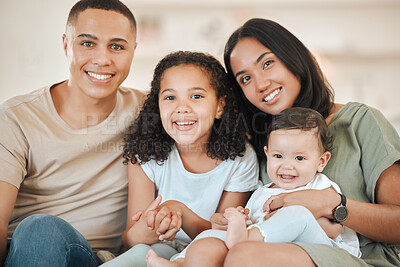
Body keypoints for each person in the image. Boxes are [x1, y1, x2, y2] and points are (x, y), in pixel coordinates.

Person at [205, 18, 400, 266]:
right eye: (245, 79)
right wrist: (229, 221)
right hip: (280, 253)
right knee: (209, 251)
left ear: (293, 58)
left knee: (244, 256)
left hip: (364, 259)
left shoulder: (359, 121)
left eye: (267, 63)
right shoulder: (258, 142)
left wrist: (332, 204)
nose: (261, 84)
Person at [0, 0, 145, 266]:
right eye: (87, 44)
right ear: (66, 44)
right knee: (40, 229)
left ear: (132, 51)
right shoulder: (16, 118)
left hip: (100, 258)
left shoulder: (151, 112)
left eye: (117, 46)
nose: (102, 59)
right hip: (29, 252)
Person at [145, 107, 361, 267]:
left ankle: (246, 239)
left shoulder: (322, 186)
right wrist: (241, 219)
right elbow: (252, 222)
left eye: (299, 158)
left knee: (298, 214)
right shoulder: (262, 191)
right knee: (211, 238)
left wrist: (280, 221)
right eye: (278, 156)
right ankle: (181, 262)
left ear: (321, 161)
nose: (287, 165)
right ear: (267, 155)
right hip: (263, 247)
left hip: (322, 249)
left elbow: (335, 229)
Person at [100, 51, 259, 267]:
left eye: (196, 96)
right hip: (155, 249)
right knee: (144, 254)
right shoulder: (145, 153)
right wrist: (153, 224)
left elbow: (224, 235)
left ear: (220, 106)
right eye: (170, 97)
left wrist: (179, 211)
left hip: (206, 255)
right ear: (158, 106)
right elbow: (130, 240)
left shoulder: (240, 158)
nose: (182, 108)